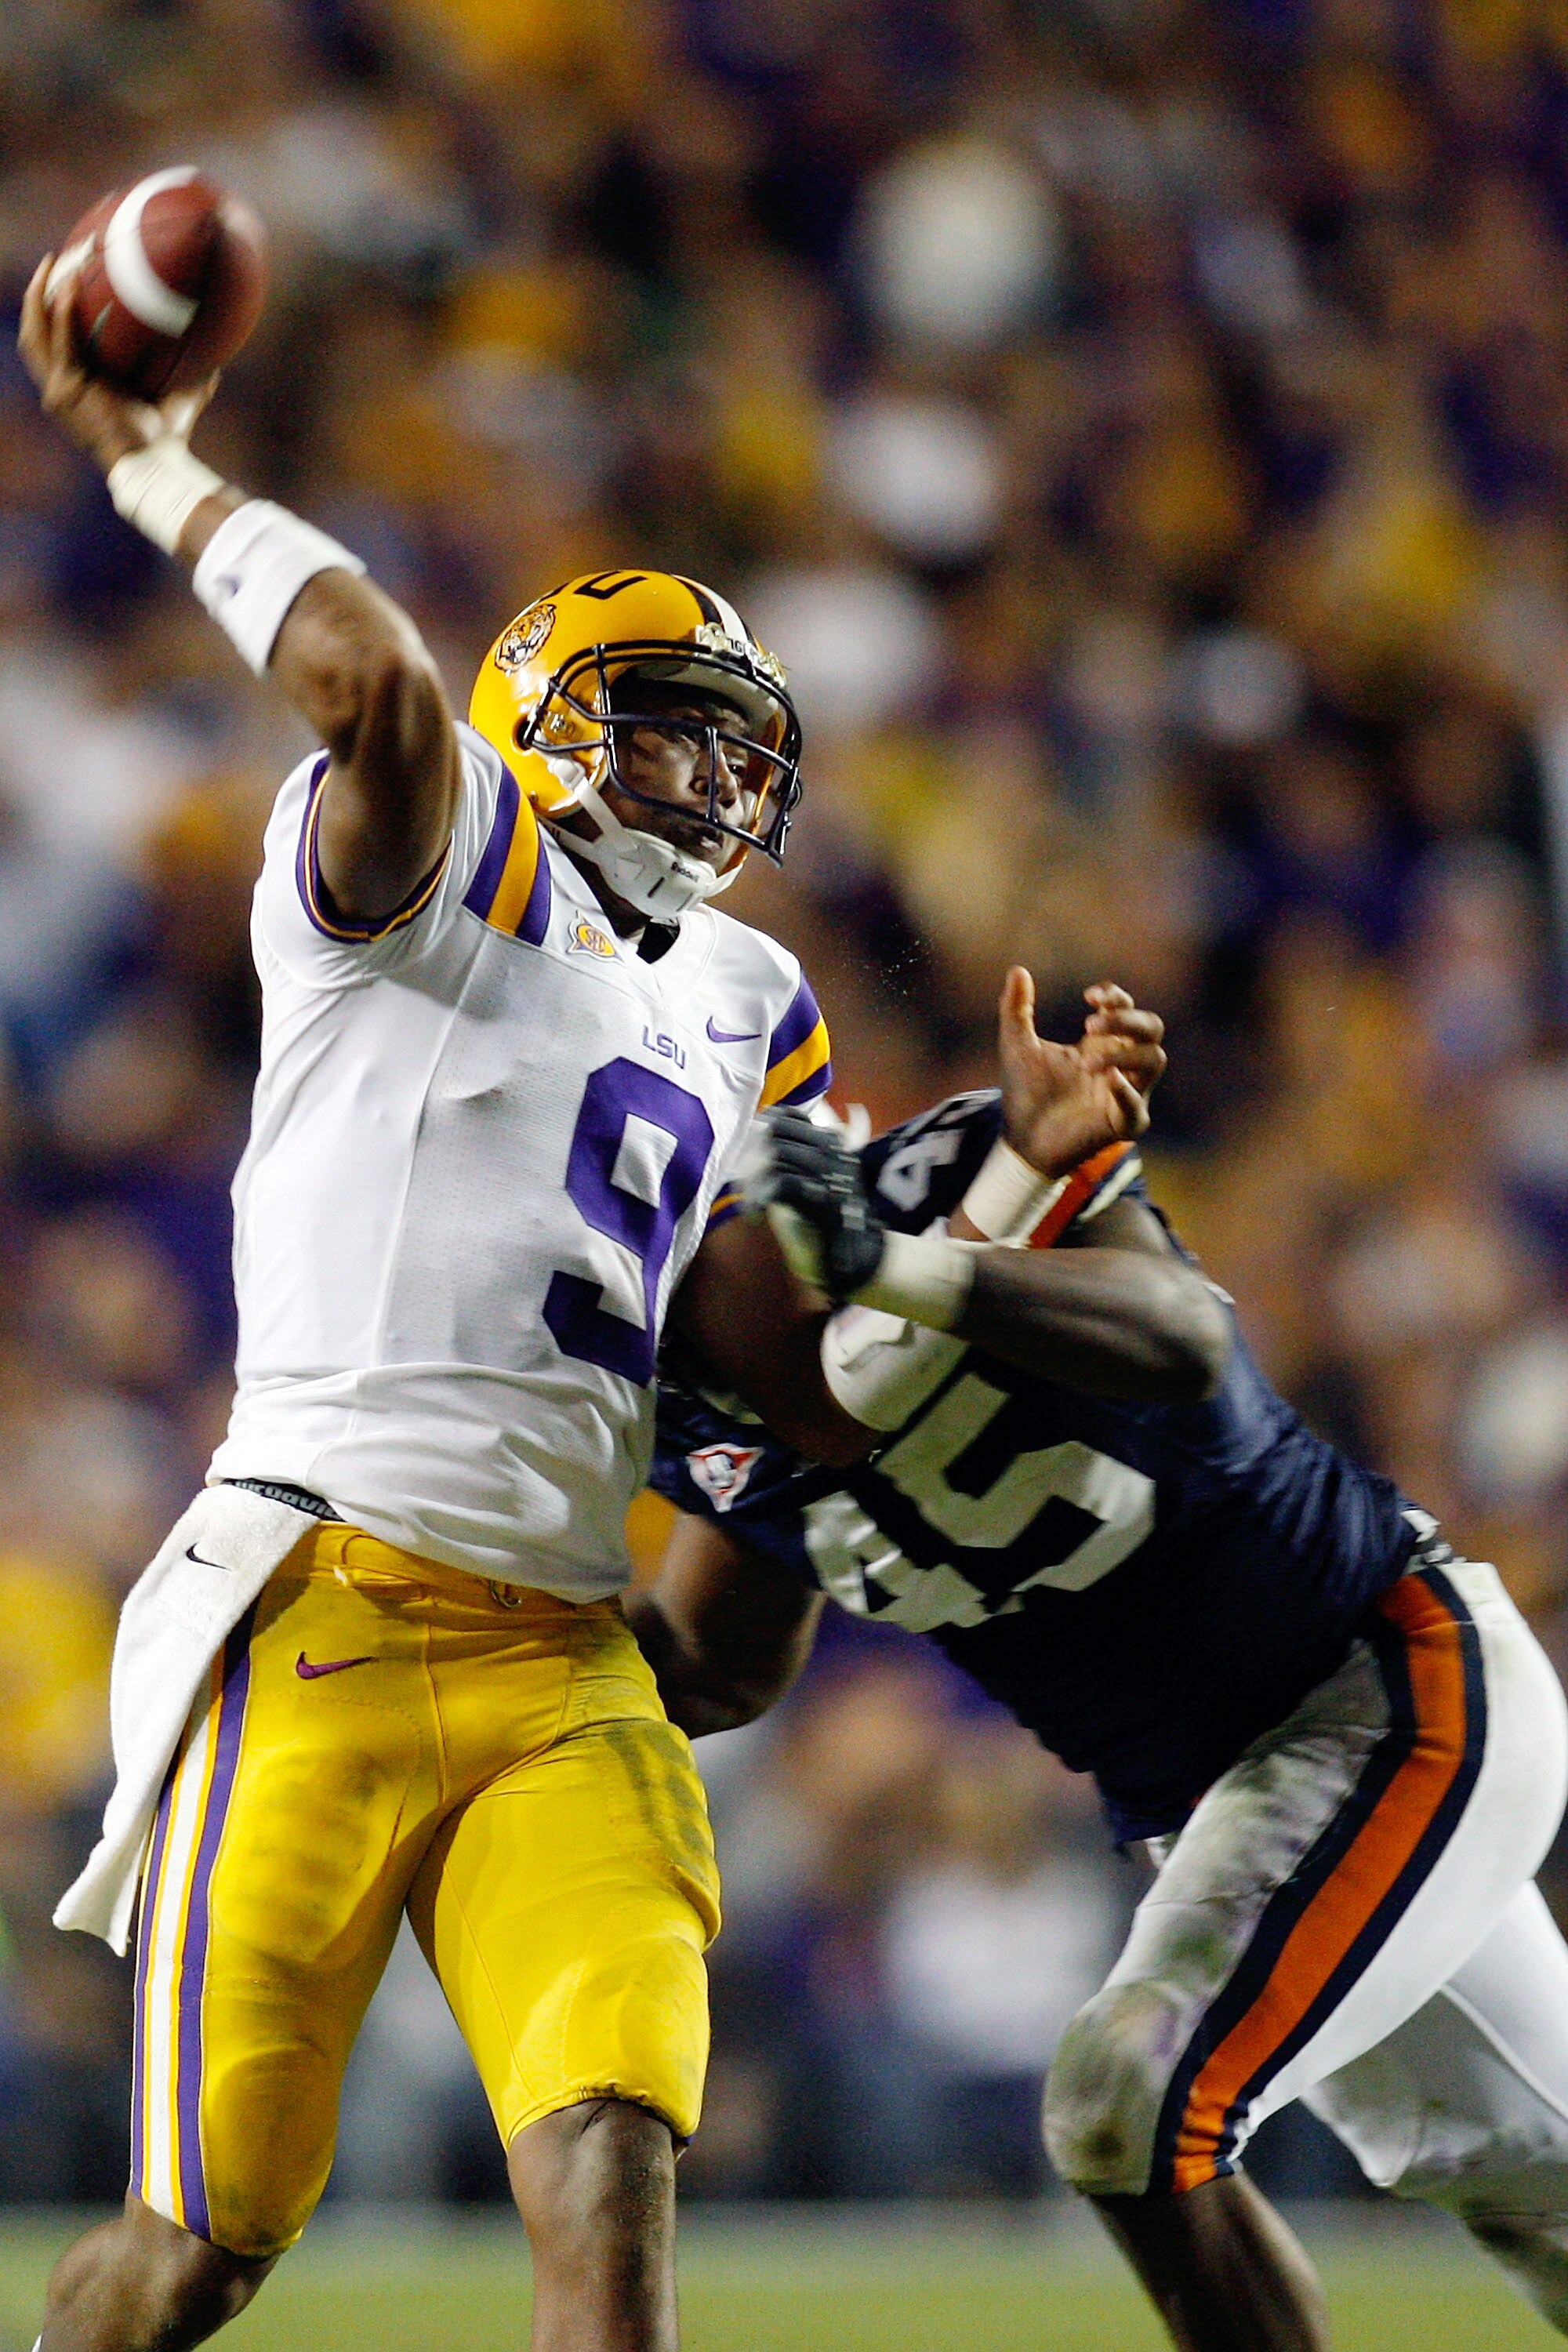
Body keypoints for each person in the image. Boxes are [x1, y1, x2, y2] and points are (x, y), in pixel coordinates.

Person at [18, 245, 859, 2352]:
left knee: (615, 2179)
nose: (699, 782)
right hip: (315, 1604)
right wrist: (151, 459)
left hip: (568, 1649)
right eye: (656, 736)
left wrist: (766, 1553)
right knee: (200, 2244)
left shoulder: (761, 1000)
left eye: (717, 747)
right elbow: (375, 678)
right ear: (546, 728)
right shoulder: (446, 856)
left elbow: (780, 1378)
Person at [633, 985, 1568, 2352]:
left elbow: (1183, 1335)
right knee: (1537, 2185)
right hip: (1218, 1816)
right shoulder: (695, 1419)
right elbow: (715, 1666)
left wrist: (911, 1274)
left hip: (1385, 1686)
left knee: (1127, 2097)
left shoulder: (969, 1175)